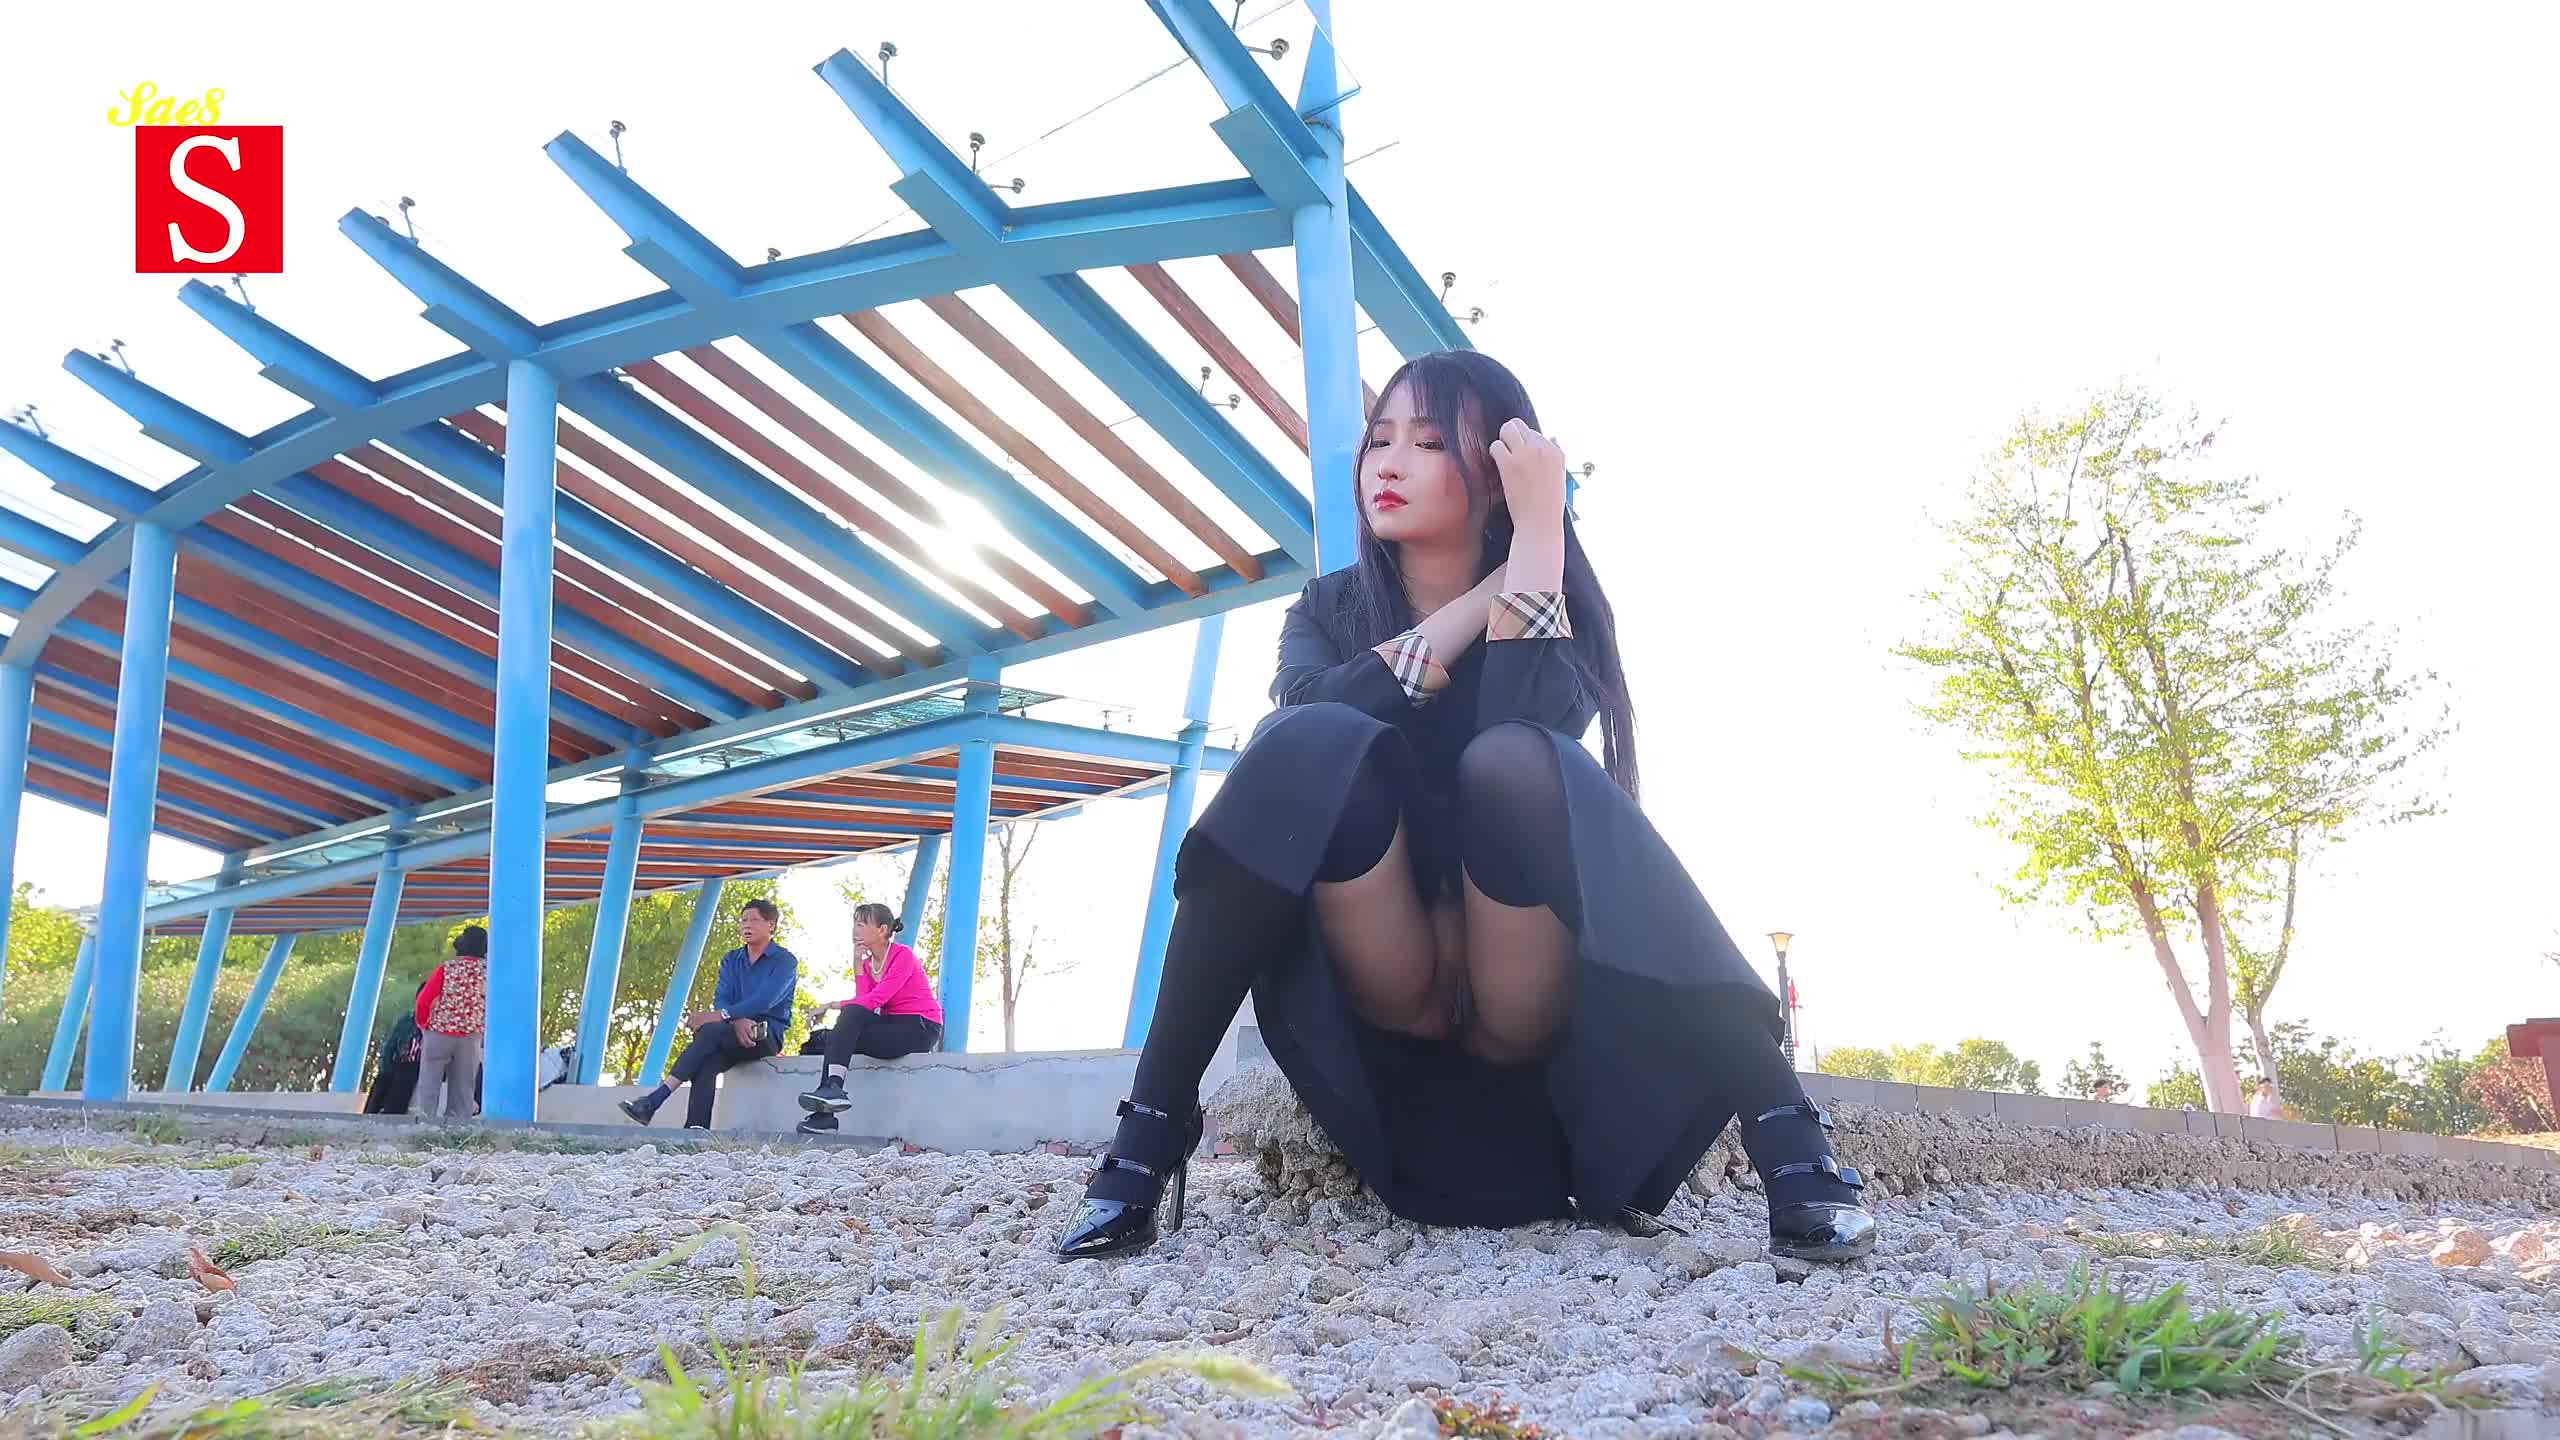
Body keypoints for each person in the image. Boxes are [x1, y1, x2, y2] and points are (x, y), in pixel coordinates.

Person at [1055, 351, 1877, 1264]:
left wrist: (1536, 547)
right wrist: (1477, 603)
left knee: (1515, 760)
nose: (1388, 464)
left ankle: (1783, 1127)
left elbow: (1530, 738)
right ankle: (1153, 1126)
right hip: (1383, 1010)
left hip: (1523, 1016)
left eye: (1429, 441)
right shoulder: (1327, 609)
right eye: (1378, 441)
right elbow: (1306, 726)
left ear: (1495, 473)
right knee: (1313, 740)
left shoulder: (1556, 593)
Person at [619, 899, 798, 1130]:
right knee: (707, 1061)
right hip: (731, 1031)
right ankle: (695, 1130)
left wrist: (723, 1016)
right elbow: (722, 998)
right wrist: (735, 1019)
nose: (747, 925)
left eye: (754, 920)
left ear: (771, 925)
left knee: (710, 1030)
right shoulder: (731, 959)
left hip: (765, 1034)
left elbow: (765, 1001)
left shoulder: (785, 961)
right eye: (743, 920)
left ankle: (656, 1099)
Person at [794, 903, 945, 1135]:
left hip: (920, 1027)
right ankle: (827, 1108)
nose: (855, 930)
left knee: (848, 1017)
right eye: (855, 924)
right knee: (839, 1033)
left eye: (862, 924)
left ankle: (831, 1091)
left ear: (882, 930)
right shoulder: (867, 963)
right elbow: (861, 1004)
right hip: (891, 1026)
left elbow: (875, 999)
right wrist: (857, 965)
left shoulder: (902, 955)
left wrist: (830, 1005)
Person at [410, 925, 489, 1118]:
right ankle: (457, 1125)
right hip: (471, 1036)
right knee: (464, 1087)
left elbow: (424, 1000)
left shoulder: (447, 969)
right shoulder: (490, 972)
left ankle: (424, 1120)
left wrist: (423, 1025)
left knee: (429, 1082)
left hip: (439, 1032)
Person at [363, 976, 431, 1116]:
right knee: (383, 1078)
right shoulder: (407, 1020)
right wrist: (385, 1067)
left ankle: (392, 1113)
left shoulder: (439, 1024)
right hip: (401, 1062)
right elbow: (390, 1046)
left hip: (421, 1066)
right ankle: (370, 1114)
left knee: (405, 1074)